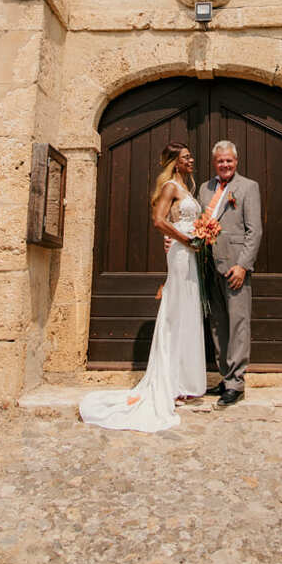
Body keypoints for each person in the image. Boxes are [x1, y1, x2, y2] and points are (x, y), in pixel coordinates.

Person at [78, 142, 206, 432]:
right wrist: (184, 239)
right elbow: (158, 220)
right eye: (187, 156)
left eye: (190, 155)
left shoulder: (187, 188)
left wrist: (199, 234)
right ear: (175, 161)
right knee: (176, 312)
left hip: (191, 254)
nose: (191, 159)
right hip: (181, 253)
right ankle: (169, 382)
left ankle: (182, 381)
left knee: (187, 312)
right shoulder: (171, 187)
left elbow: (184, 220)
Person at [199, 140, 262, 407]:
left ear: (236, 162)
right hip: (210, 265)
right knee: (217, 325)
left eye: (229, 161)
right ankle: (225, 377)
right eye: (220, 161)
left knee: (238, 323)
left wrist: (243, 265)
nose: (225, 165)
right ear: (215, 163)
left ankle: (237, 382)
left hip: (235, 267)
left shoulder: (248, 187)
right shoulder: (205, 188)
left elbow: (254, 230)